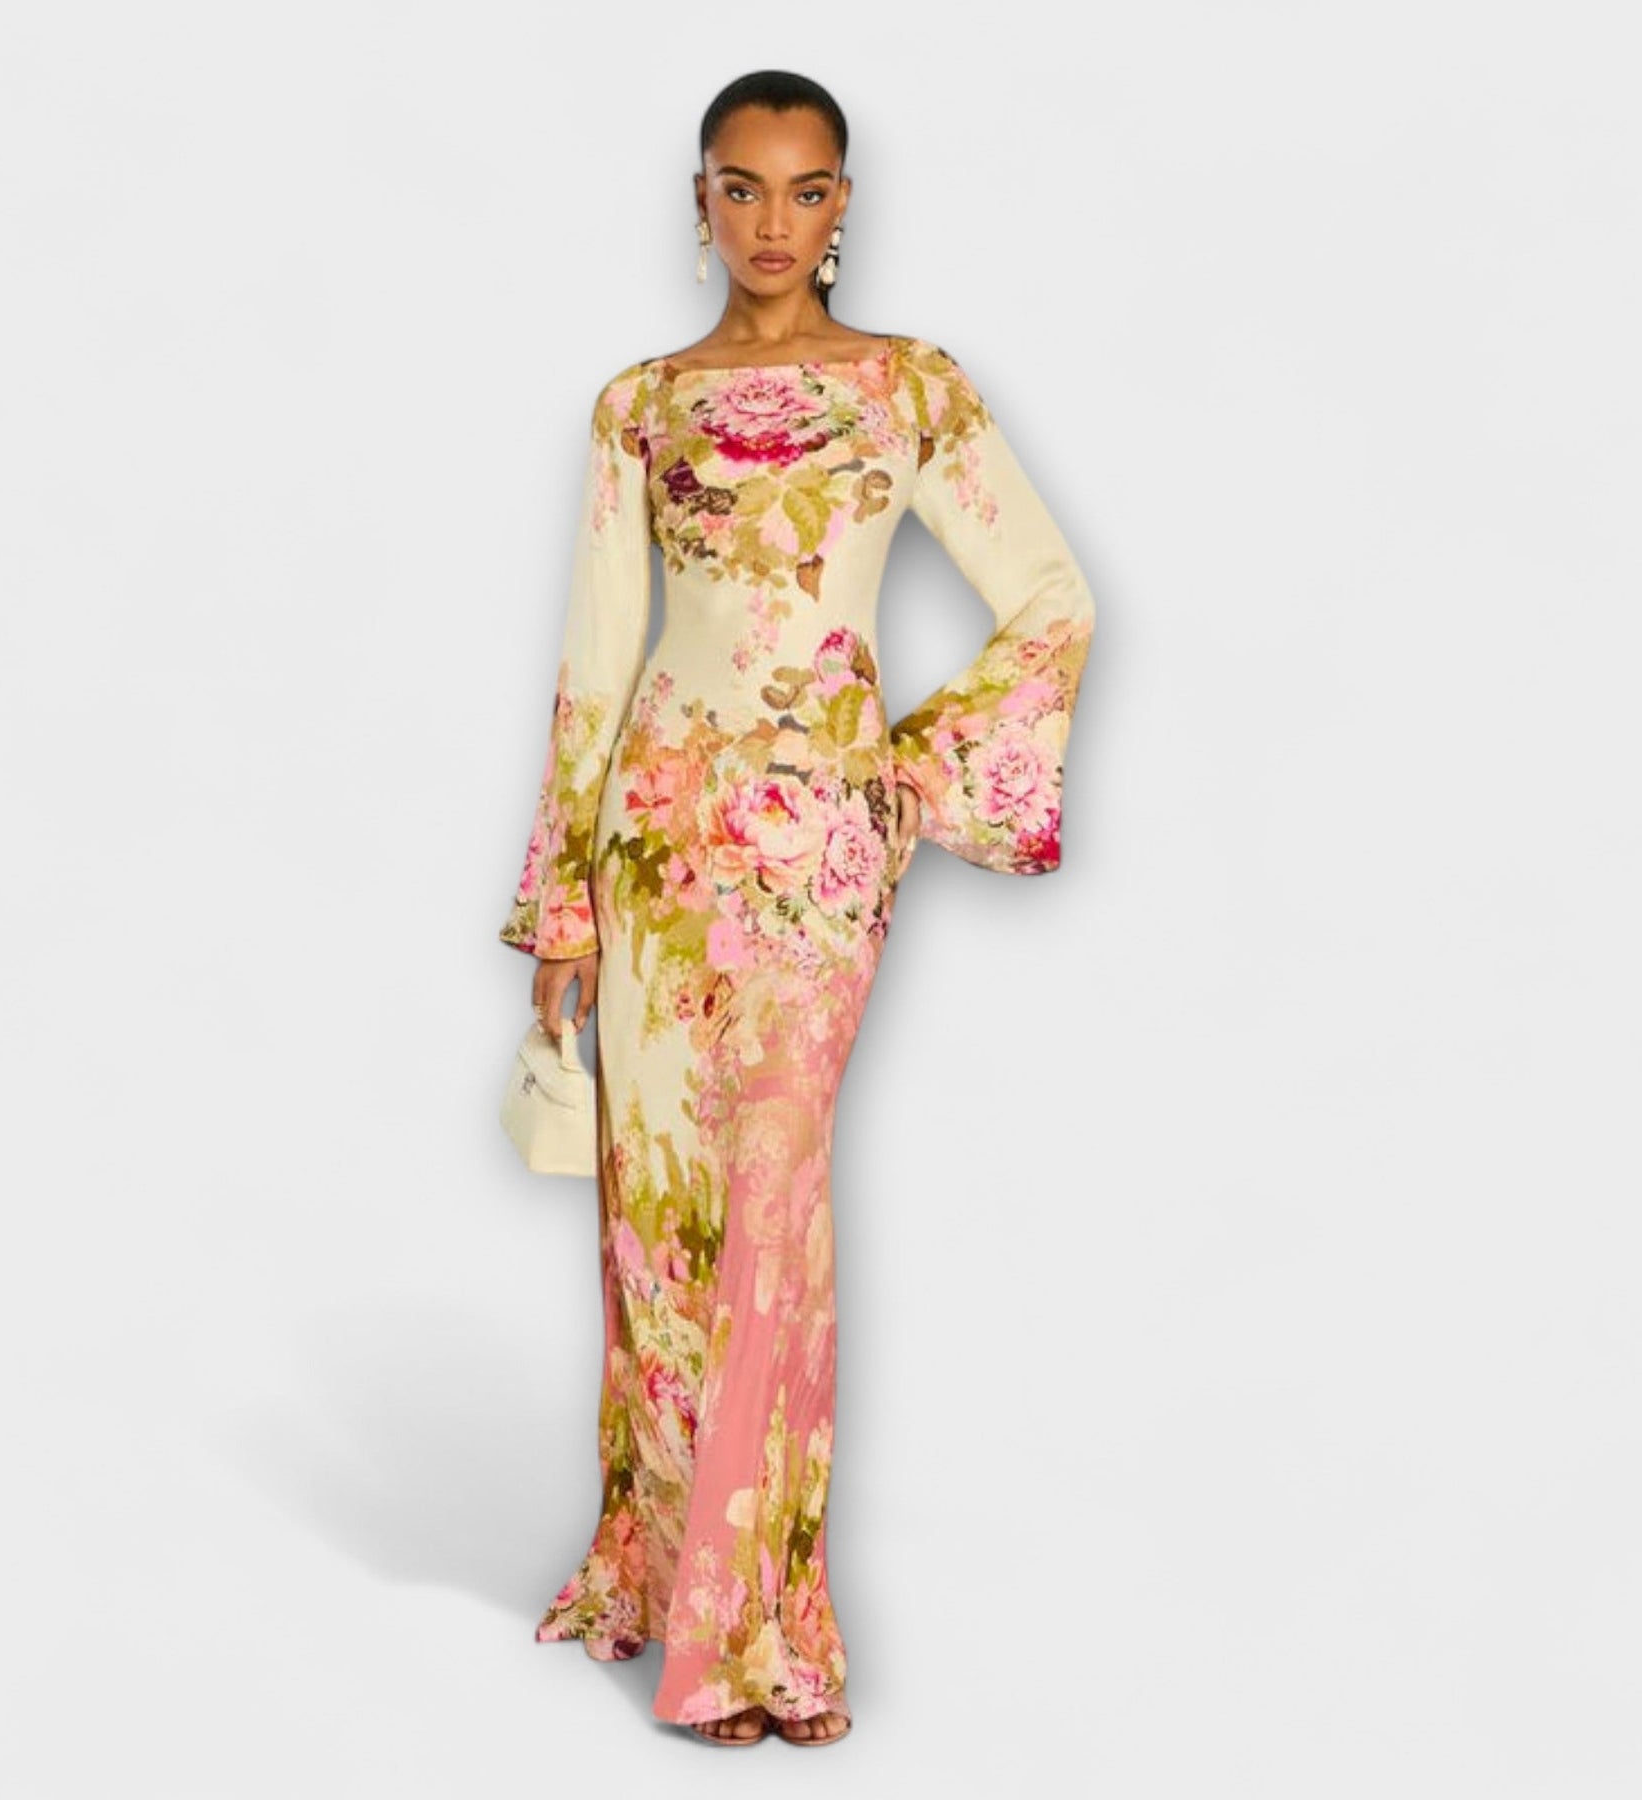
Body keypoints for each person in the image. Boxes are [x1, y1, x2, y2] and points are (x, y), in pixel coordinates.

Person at [499, 69, 1097, 1748]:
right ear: (698, 201)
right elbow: (596, 659)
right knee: (659, 1215)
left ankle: (757, 1633)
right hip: (656, 847)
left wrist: (905, 781)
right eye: (743, 185)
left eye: (807, 187)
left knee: (770, 1203)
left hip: (816, 858)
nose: (774, 220)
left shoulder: (912, 389)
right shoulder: (638, 407)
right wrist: (561, 903)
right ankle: (663, 1563)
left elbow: (1053, 598)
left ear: (846, 207)